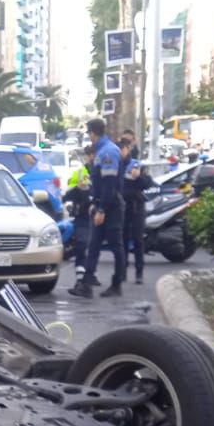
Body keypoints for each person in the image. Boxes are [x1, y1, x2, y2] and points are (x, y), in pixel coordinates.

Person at [73, 117, 125, 298]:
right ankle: (86, 285)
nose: (89, 137)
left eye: (89, 134)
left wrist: (102, 209)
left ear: (92, 133)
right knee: (93, 245)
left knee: (116, 245)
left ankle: (117, 284)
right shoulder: (102, 150)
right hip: (101, 204)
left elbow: (109, 185)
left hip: (110, 206)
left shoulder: (108, 152)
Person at [118, 132, 148, 285]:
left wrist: (139, 176)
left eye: (124, 148)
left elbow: (147, 184)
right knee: (122, 241)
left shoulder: (136, 164)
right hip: (122, 208)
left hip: (136, 207)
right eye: (120, 149)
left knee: (137, 241)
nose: (122, 152)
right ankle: (122, 272)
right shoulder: (116, 165)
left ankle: (139, 273)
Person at [62, 158, 91, 278]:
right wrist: (79, 188)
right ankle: (81, 278)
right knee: (82, 245)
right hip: (82, 217)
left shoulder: (102, 171)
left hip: (97, 216)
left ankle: (90, 276)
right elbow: (67, 195)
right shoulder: (81, 172)